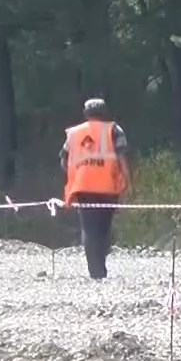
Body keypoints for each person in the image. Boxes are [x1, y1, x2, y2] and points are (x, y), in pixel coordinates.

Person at [60, 98, 130, 280]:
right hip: (108, 187)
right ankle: (100, 267)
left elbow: (64, 160)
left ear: (85, 114)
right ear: (105, 112)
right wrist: (127, 181)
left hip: (84, 187)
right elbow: (122, 157)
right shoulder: (114, 130)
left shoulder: (74, 134)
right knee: (104, 228)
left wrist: (77, 175)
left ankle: (96, 271)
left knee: (89, 229)